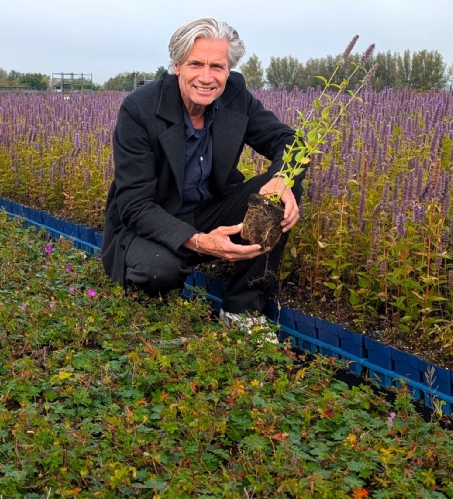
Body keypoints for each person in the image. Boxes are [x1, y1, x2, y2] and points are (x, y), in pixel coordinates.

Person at [101, 17, 302, 333]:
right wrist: (199, 242)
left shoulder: (235, 94)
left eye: (217, 66)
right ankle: (153, 298)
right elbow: (135, 206)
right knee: (158, 270)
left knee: (283, 183)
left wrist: (281, 178)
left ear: (228, 70)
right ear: (177, 65)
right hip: (155, 223)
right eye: (196, 64)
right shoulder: (140, 109)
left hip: (211, 211)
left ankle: (242, 310)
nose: (207, 77)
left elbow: (289, 141)